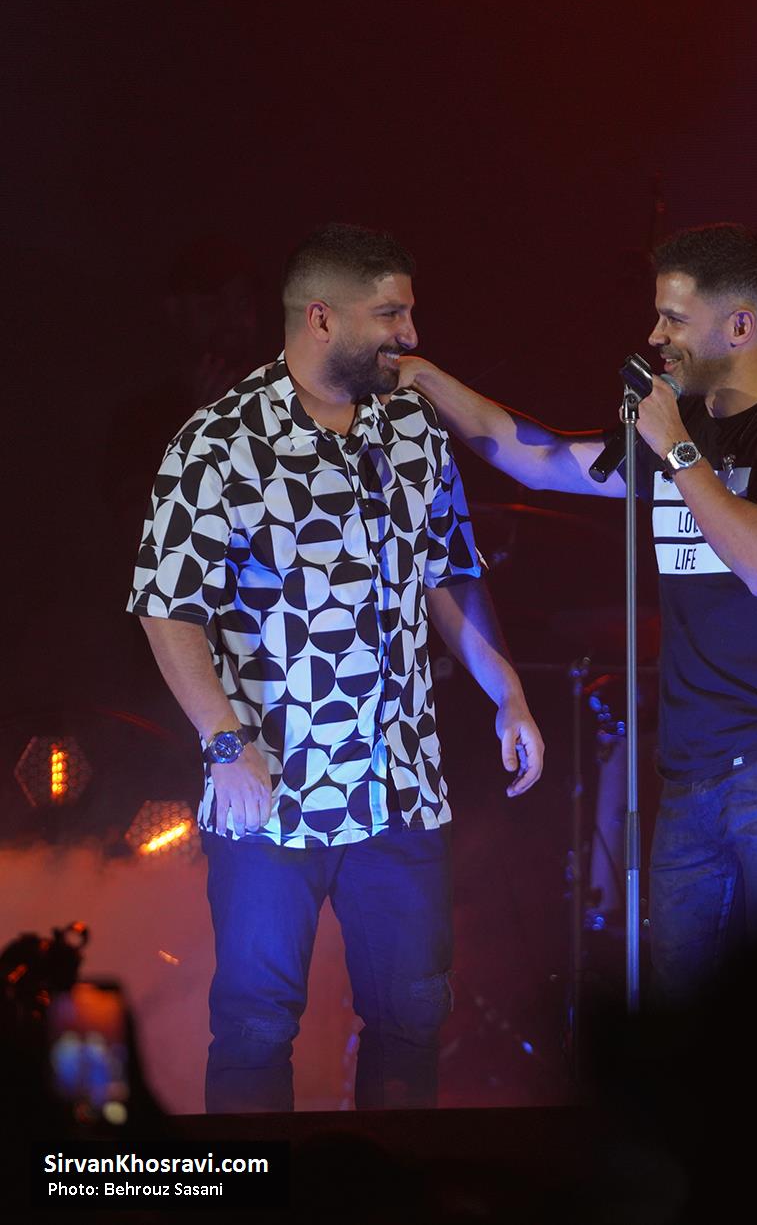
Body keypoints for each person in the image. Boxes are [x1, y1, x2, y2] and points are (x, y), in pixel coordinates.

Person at [397, 223, 757, 1005]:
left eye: (674, 319)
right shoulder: (672, 436)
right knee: (683, 1032)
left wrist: (679, 449)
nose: (654, 336)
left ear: (740, 325)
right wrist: (427, 379)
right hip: (687, 777)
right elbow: (536, 458)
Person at [127, 222, 544, 1111]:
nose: (410, 335)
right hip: (271, 790)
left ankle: (387, 1183)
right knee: (255, 1027)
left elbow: (449, 572)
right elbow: (167, 607)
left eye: (410, 312)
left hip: (399, 787)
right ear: (322, 317)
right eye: (390, 314)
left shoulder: (413, 428)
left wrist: (506, 692)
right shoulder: (220, 441)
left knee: (412, 1018)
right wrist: (224, 744)